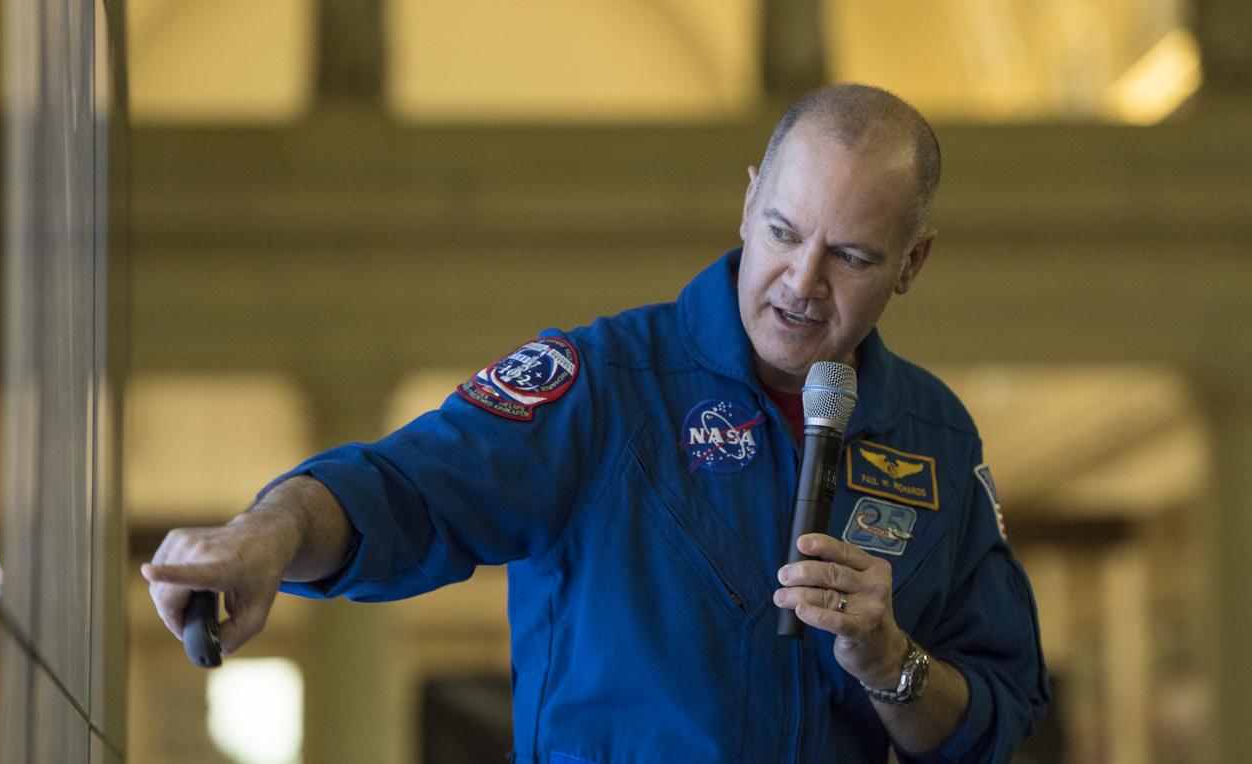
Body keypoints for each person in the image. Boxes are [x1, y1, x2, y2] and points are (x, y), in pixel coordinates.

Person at [145, 84, 1048, 763]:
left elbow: (996, 717)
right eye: (781, 231)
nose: (801, 281)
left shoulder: (936, 439)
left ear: (913, 263)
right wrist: (268, 535)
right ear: (746, 204)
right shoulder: (604, 385)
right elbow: (407, 490)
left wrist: (889, 660)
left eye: (850, 256)